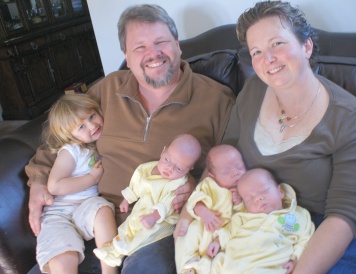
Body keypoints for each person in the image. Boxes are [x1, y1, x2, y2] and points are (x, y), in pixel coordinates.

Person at [25, 4, 235, 274]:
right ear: (126, 54)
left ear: (177, 45)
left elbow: (233, 167)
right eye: (140, 47)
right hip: (93, 216)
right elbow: (60, 137)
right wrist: (39, 180)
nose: (153, 54)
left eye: (161, 42)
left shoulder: (217, 100)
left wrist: (196, 187)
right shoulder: (108, 88)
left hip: (158, 226)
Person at [175, 1, 356, 273]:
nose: (267, 59)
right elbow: (223, 158)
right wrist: (189, 213)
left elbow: (343, 217)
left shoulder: (353, 119)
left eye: (277, 44)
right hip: (251, 225)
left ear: (306, 46)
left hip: (323, 235)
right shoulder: (252, 91)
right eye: (257, 51)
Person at [36, 94, 117, 274]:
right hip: (60, 213)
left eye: (92, 116)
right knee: (64, 255)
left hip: (86, 207)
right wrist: (91, 179)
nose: (92, 125)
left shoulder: (99, 144)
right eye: (81, 126)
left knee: (104, 210)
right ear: (69, 135)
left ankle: (110, 269)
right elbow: (54, 186)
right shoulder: (72, 151)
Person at [94, 134, 201, 267]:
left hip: (162, 222)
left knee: (145, 235)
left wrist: (154, 217)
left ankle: (126, 250)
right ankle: (113, 252)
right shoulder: (147, 168)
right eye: (167, 160)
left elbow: (168, 204)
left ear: (189, 169)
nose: (170, 168)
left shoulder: (179, 183)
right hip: (141, 210)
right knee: (127, 228)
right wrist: (127, 199)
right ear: (163, 151)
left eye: (179, 168)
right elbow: (136, 183)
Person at [207, 168, 315, 274]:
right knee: (215, 262)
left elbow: (305, 240)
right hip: (234, 264)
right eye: (250, 199)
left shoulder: (298, 216)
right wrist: (218, 241)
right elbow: (228, 231)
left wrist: (295, 259)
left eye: (263, 191)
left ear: (281, 191)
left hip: (268, 266)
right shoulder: (242, 218)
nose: (257, 198)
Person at [175, 144, 246, 274]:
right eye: (226, 171)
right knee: (187, 238)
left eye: (240, 167)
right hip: (203, 227)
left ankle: (203, 268)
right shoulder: (209, 185)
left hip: (223, 234)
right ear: (213, 176)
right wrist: (204, 212)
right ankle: (186, 268)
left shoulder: (245, 188)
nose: (236, 173)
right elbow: (195, 201)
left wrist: (239, 203)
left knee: (225, 256)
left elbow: (242, 218)